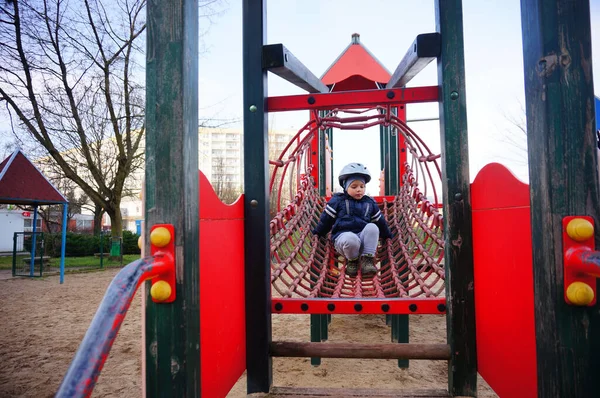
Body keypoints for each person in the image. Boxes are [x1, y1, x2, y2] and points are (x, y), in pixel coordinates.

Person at [312, 162, 393, 277]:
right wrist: (318, 232)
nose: (359, 190)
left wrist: (388, 235)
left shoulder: (369, 203)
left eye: (362, 186)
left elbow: (380, 222)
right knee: (351, 239)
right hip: (343, 239)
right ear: (345, 187)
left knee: (372, 227)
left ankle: (367, 260)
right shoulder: (338, 201)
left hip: (362, 240)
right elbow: (326, 219)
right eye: (354, 187)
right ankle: (352, 261)